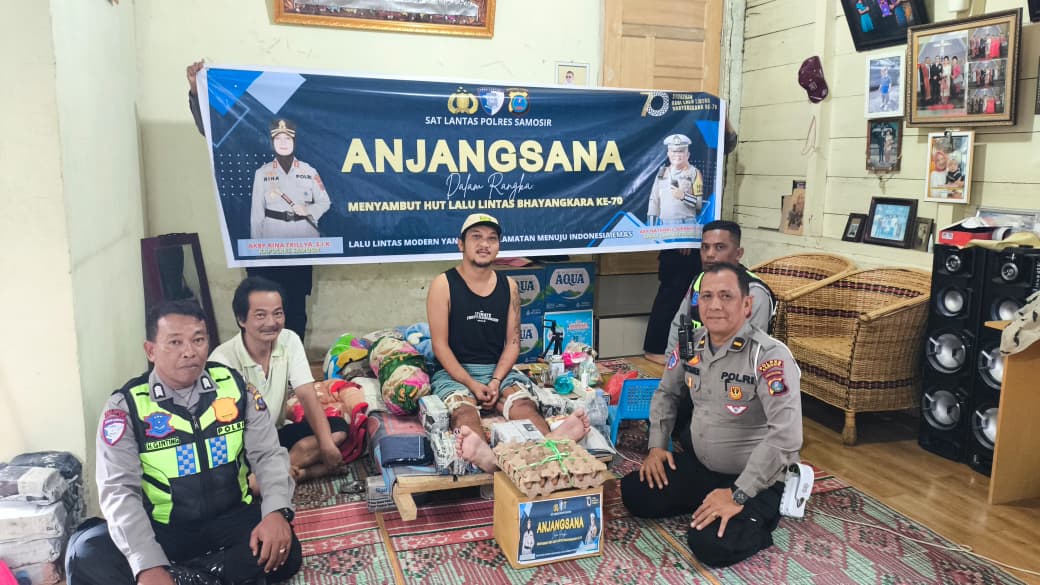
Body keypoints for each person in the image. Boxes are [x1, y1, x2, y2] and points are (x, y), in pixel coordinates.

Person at [65, 300, 302, 585]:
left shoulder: (235, 388)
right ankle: (204, 575)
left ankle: (185, 578)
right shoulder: (127, 407)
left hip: (231, 520)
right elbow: (119, 491)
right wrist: (147, 564)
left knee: (285, 549)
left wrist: (276, 512)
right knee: (86, 553)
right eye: (175, 342)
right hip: (164, 531)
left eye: (198, 340)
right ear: (150, 350)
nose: (189, 351)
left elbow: (268, 455)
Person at [620, 263, 802, 567]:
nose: (715, 305)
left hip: (755, 480)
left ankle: (758, 516)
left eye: (726, 296)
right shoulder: (690, 343)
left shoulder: (769, 356)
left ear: (747, 305)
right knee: (635, 493)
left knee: (711, 545)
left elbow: (786, 436)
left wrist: (738, 494)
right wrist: (656, 446)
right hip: (703, 467)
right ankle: (710, 498)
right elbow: (666, 393)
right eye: (707, 296)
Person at [427, 213, 589, 472]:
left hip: (498, 372)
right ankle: (486, 458)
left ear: (498, 246)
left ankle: (549, 446)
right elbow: (440, 346)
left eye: (492, 238)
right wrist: (471, 384)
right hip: (455, 373)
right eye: (476, 237)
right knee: (463, 412)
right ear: (461, 244)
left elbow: (513, 343)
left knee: (524, 405)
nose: (484, 244)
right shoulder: (443, 284)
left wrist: (495, 381)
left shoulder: (510, 286)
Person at [186, 60, 314, 343]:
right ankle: (258, 366)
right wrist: (199, 92)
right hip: (263, 248)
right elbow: (217, 129)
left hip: (299, 247)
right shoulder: (251, 150)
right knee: (259, 312)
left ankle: (292, 366)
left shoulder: (307, 160)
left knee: (294, 315)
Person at [210, 276, 350, 482]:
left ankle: (277, 473)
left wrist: (326, 445)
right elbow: (225, 432)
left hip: (276, 434)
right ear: (241, 319)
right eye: (260, 315)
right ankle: (303, 472)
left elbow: (307, 395)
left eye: (277, 313)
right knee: (237, 483)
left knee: (338, 430)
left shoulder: (289, 340)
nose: (271, 323)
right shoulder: (222, 361)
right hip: (244, 447)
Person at [664, 221, 776, 451]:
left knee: (693, 442)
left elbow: (746, 353)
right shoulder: (699, 282)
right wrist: (672, 370)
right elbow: (680, 325)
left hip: (733, 383)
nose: (710, 255)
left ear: (738, 253)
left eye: (719, 247)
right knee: (658, 420)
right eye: (705, 247)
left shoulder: (754, 293)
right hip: (694, 373)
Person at [643, 120, 739, 365]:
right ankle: (655, 348)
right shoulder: (662, 172)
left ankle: (685, 351)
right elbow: (654, 199)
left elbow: (696, 205)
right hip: (669, 237)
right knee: (670, 294)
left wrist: (687, 232)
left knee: (689, 297)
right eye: (672, 151)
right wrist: (652, 227)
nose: (676, 155)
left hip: (691, 236)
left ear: (687, 153)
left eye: (681, 151)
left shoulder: (694, 172)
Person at [250, 118, 331, 240]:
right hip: (273, 236)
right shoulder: (262, 173)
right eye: (278, 139)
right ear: (272, 142)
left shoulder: (309, 171)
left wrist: (307, 210)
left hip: (306, 235)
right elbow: (257, 214)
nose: (283, 143)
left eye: (287, 138)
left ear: (294, 141)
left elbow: (325, 202)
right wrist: (256, 246)